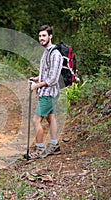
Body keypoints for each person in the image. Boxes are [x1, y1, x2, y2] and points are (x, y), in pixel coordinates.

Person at [28, 25, 63, 159]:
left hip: (49, 93)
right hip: (47, 92)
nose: (41, 38)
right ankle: (55, 145)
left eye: (44, 35)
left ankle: (39, 148)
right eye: (40, 36)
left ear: (50, 36)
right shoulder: (46, 52)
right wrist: (37, 78)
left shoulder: (55, 54)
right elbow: (47, 72)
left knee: (36, 120)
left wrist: (37, 85)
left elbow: (53, 78)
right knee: (50, 118)